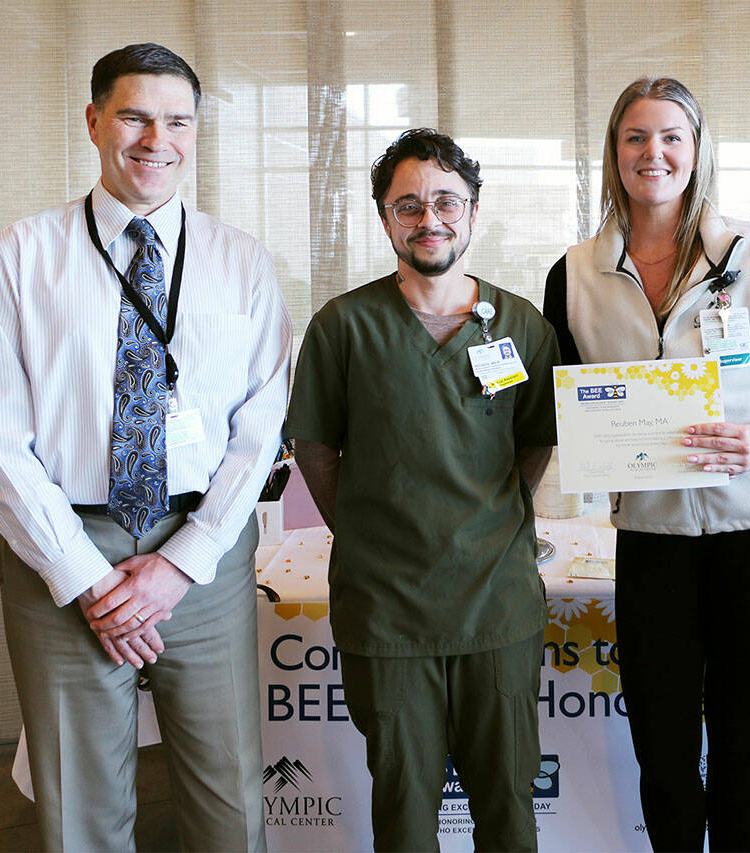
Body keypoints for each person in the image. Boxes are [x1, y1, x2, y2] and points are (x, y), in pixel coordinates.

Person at [0, 43, 291, 852]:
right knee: (80, 808)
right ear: (95, 120)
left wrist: (182, 562)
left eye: (177, 120)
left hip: (200, 548)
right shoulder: (20, 254)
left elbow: (262, 422)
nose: (156, 138)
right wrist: (83, 574)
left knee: (230, 796)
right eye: (135, 115)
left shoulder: (241, 260)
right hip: (60, 550)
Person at [542, 78, 750, 851]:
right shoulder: (573, 273)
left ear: (698, 150)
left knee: (742, 730)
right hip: (654, 533)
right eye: (636, 137)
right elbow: (562, 400)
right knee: (663, 738)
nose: (655, 152)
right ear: (613, 154)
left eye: (672, 136)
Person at [286, 128, 558, 851]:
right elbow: (312, 444)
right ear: (385, 219)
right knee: (404, 807)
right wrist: (373, 528)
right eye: (407, 205)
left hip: (497, 602)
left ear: (472, 212)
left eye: (445, 201)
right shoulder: (344, 327)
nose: (428, 218)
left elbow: (537, 438)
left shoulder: (522, 325)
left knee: (507, 802)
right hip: (389, 609)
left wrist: (487, 516)